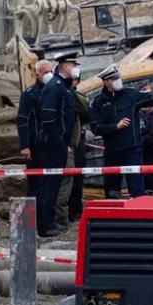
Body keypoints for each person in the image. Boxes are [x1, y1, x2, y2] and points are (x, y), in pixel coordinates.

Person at [89, 64, 153, 199]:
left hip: (132, 150)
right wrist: (115, 127)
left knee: (137, 190)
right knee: (112, 191)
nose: (118, 80)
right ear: (106, 82)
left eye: (119, 77)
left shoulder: (130, 95)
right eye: (114, 78)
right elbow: (95, 127)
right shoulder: (98, 102)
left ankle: (139, 216)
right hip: (112, 151)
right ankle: (113, 217)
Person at [37, 54, 80, 237]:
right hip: (54, 145)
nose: (76, 68)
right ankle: (46, 225)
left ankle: (50, 223)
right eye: (73, 64)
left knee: (54, 185)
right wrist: (58, 141)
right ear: (66, 67)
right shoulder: (55, 87)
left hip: (61, 142)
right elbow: (48, 117)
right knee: (50, 185)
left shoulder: (64, 86)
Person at [55, 71, 91, 227]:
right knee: (64, 180)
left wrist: (72, 92)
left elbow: (86, 110)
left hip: (76, 142)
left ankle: (75, 212)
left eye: (75, 79)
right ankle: (63, 215)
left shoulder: (77, 96)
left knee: (77, 179)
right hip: (64, 143)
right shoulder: (58, 94)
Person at [16, 59, 53, 201]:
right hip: (37, 145)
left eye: (51, 71)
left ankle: (49, 219)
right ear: (37, 74)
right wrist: (25, 146)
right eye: (45, 72)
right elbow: (22, 120)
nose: (49, 75)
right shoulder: (30, 94)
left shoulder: (57, 91)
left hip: (53, 145)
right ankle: (35, 219)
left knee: (52, 184)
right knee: (36, 184)